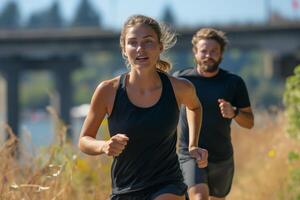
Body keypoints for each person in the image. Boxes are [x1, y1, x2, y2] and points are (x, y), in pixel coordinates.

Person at [78, 15, 208, 200]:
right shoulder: (108, 91)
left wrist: (193, 144)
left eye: (148, 42)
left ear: (160, 47)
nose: (140, 49)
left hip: (168, 183)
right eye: (133, 43)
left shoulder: (179, 87)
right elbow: (84, 140)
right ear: (124, 49)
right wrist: (104, 145)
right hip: (125, 189)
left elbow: (195, 107)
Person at [173, 28, 254, 200]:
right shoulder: (182, 80)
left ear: (221, 54)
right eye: (203, 51)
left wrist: (234, 112)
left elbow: (249, 122)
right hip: (191, 154)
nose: (208, 55)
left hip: (221, 156)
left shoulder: (234, 83)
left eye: (213, 51)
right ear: (195, 52)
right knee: (199, 197)